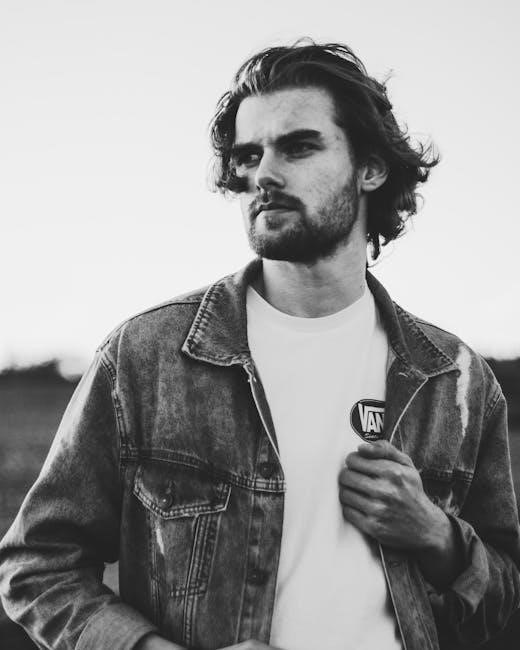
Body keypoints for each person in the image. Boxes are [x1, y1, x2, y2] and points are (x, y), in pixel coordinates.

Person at [0, 40, 519, 650]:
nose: (262, 175)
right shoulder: (147, 357)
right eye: (249, 155)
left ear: (371, 168)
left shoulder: (456, 380)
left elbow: (503, 600)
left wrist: (437, 536)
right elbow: (37, 566)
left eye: (298, 147)